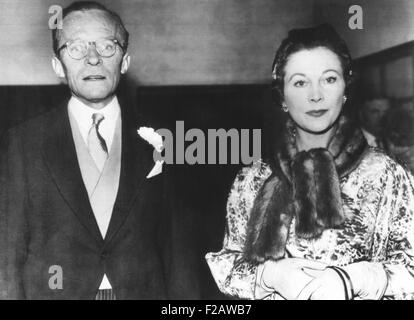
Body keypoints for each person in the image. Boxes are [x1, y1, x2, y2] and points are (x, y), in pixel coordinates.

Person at [0, 1, 197, 299]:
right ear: (58, 66)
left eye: (107, 46)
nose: (93, 59)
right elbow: (8, 254)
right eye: (76, 47)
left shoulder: (164, 139)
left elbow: (179, 252)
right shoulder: (22, 143)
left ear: (125, 61)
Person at [205, 24, 414, 300]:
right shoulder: (252, 179)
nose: (316, 95)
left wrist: (356, 279)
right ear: (282, 96)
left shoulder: (385, 175)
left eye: (329, 79)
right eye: (300, 82)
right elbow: (227, 266)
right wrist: (269, 276)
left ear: (345, 88)